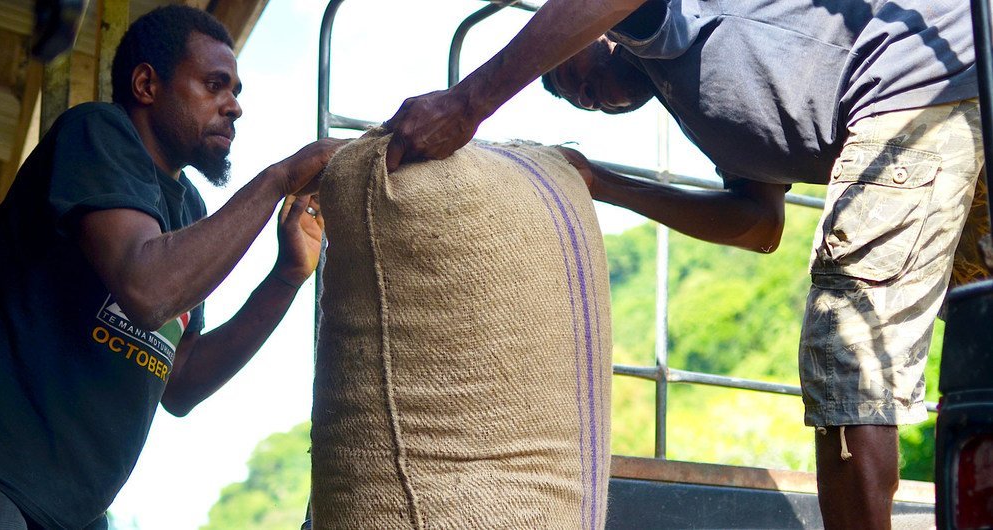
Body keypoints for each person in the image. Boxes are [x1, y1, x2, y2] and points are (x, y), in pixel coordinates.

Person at [383, 1, 978, 529]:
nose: (582, 95)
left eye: (568, 73)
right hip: (963, 84)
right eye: (575, 102)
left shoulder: (661, 24)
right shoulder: (702, 105)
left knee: (850, 343)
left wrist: (468, 102)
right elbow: (759, 223)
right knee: (984, 329)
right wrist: (603, 184)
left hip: (916, 73)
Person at [0, 6, 343, 528]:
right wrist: (279, 179)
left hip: (69, 509)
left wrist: (287, 277)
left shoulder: (188, 213)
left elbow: (179, 382)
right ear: (145, 84)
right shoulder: (95, 133)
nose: (234, 107)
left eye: (237, 91)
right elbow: (146, 288)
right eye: (215, 85)